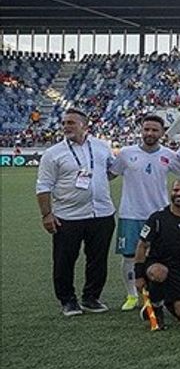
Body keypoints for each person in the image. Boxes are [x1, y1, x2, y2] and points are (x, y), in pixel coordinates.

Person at [36, 108, 117, 316]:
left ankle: (91, 298)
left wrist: (95, 184)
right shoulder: (53, 153)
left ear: (85, 125)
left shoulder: (101, 147)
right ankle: (68, 300)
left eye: (71, 123)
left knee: (98, 259)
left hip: (102, 214)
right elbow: (43, 186)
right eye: (64, 123)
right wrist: (47, 214)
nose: (66, 127)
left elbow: (110, 172)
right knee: (64, 260)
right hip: (68, 216)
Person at [111, 114, 179, 311]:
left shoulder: (169, 155)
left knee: (161, 256)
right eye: (146, 129)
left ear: (162, 132)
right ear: (141, 130)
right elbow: (110, 174)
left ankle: (161, 294)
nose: (149, 133)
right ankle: (132, 295)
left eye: (154, 130)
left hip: (159, 215)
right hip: (130, 213)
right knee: (129, 256)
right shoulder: (125, 153)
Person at [132, 179, 180, 328]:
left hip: (179, 269)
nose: (179, 194)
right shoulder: (157, 218)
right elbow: (141, 246)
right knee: (160, 272)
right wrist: (138, 275)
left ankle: (167, 300)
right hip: (157, 265)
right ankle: (156, 308)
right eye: (176, 190)